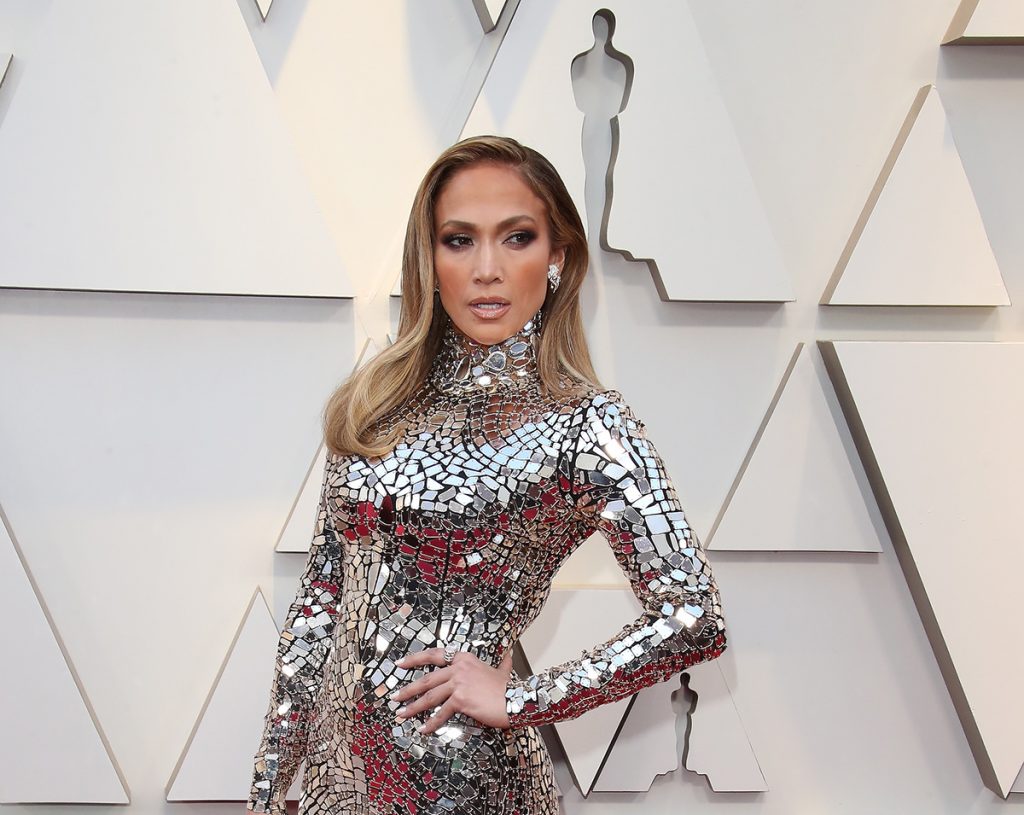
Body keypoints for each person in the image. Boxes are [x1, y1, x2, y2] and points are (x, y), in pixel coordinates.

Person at [246, 135, 728, 815]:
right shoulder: (374, 407)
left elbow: (693, 613)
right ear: (430, 257)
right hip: (339, 781)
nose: (487, 270)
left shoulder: (586, 424)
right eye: (459, 240)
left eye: (517, 237)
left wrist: (522, 699)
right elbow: (319, 606)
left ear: (557, 255)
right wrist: (269, 789)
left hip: (468, 778)